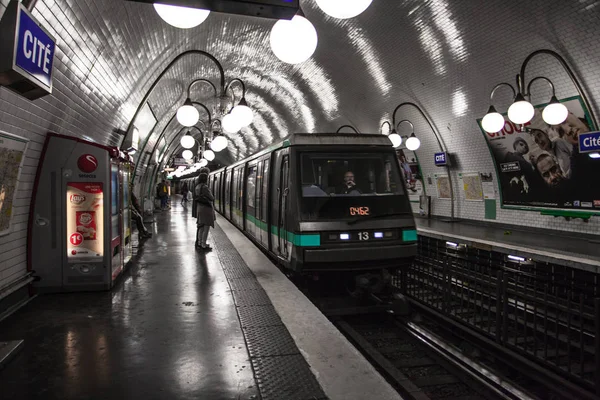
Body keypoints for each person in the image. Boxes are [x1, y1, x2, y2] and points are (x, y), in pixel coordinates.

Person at [194, 173, 216, 251]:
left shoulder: (197, 187)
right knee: (206, 227)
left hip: (200, 208)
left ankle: (200, 243)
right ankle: (203, 244)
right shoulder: (205, 187)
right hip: (206, 208)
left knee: (201, 227)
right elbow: (211, 197)